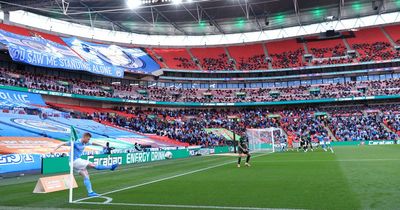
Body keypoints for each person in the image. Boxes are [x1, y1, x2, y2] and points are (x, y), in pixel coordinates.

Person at [53, 132, 118, 197]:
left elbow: (93, 143)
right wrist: (53, 150)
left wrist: (103, 146)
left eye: (89, 139)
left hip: (74, 163)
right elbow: (62, 143)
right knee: (93, 165)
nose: (88, 140)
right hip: (74, 161)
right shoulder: (75, 142)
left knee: (86, 175)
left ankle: (90, 192)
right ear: (84, 137)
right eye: (88, 139)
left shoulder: (85, 142)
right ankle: (111, 167)